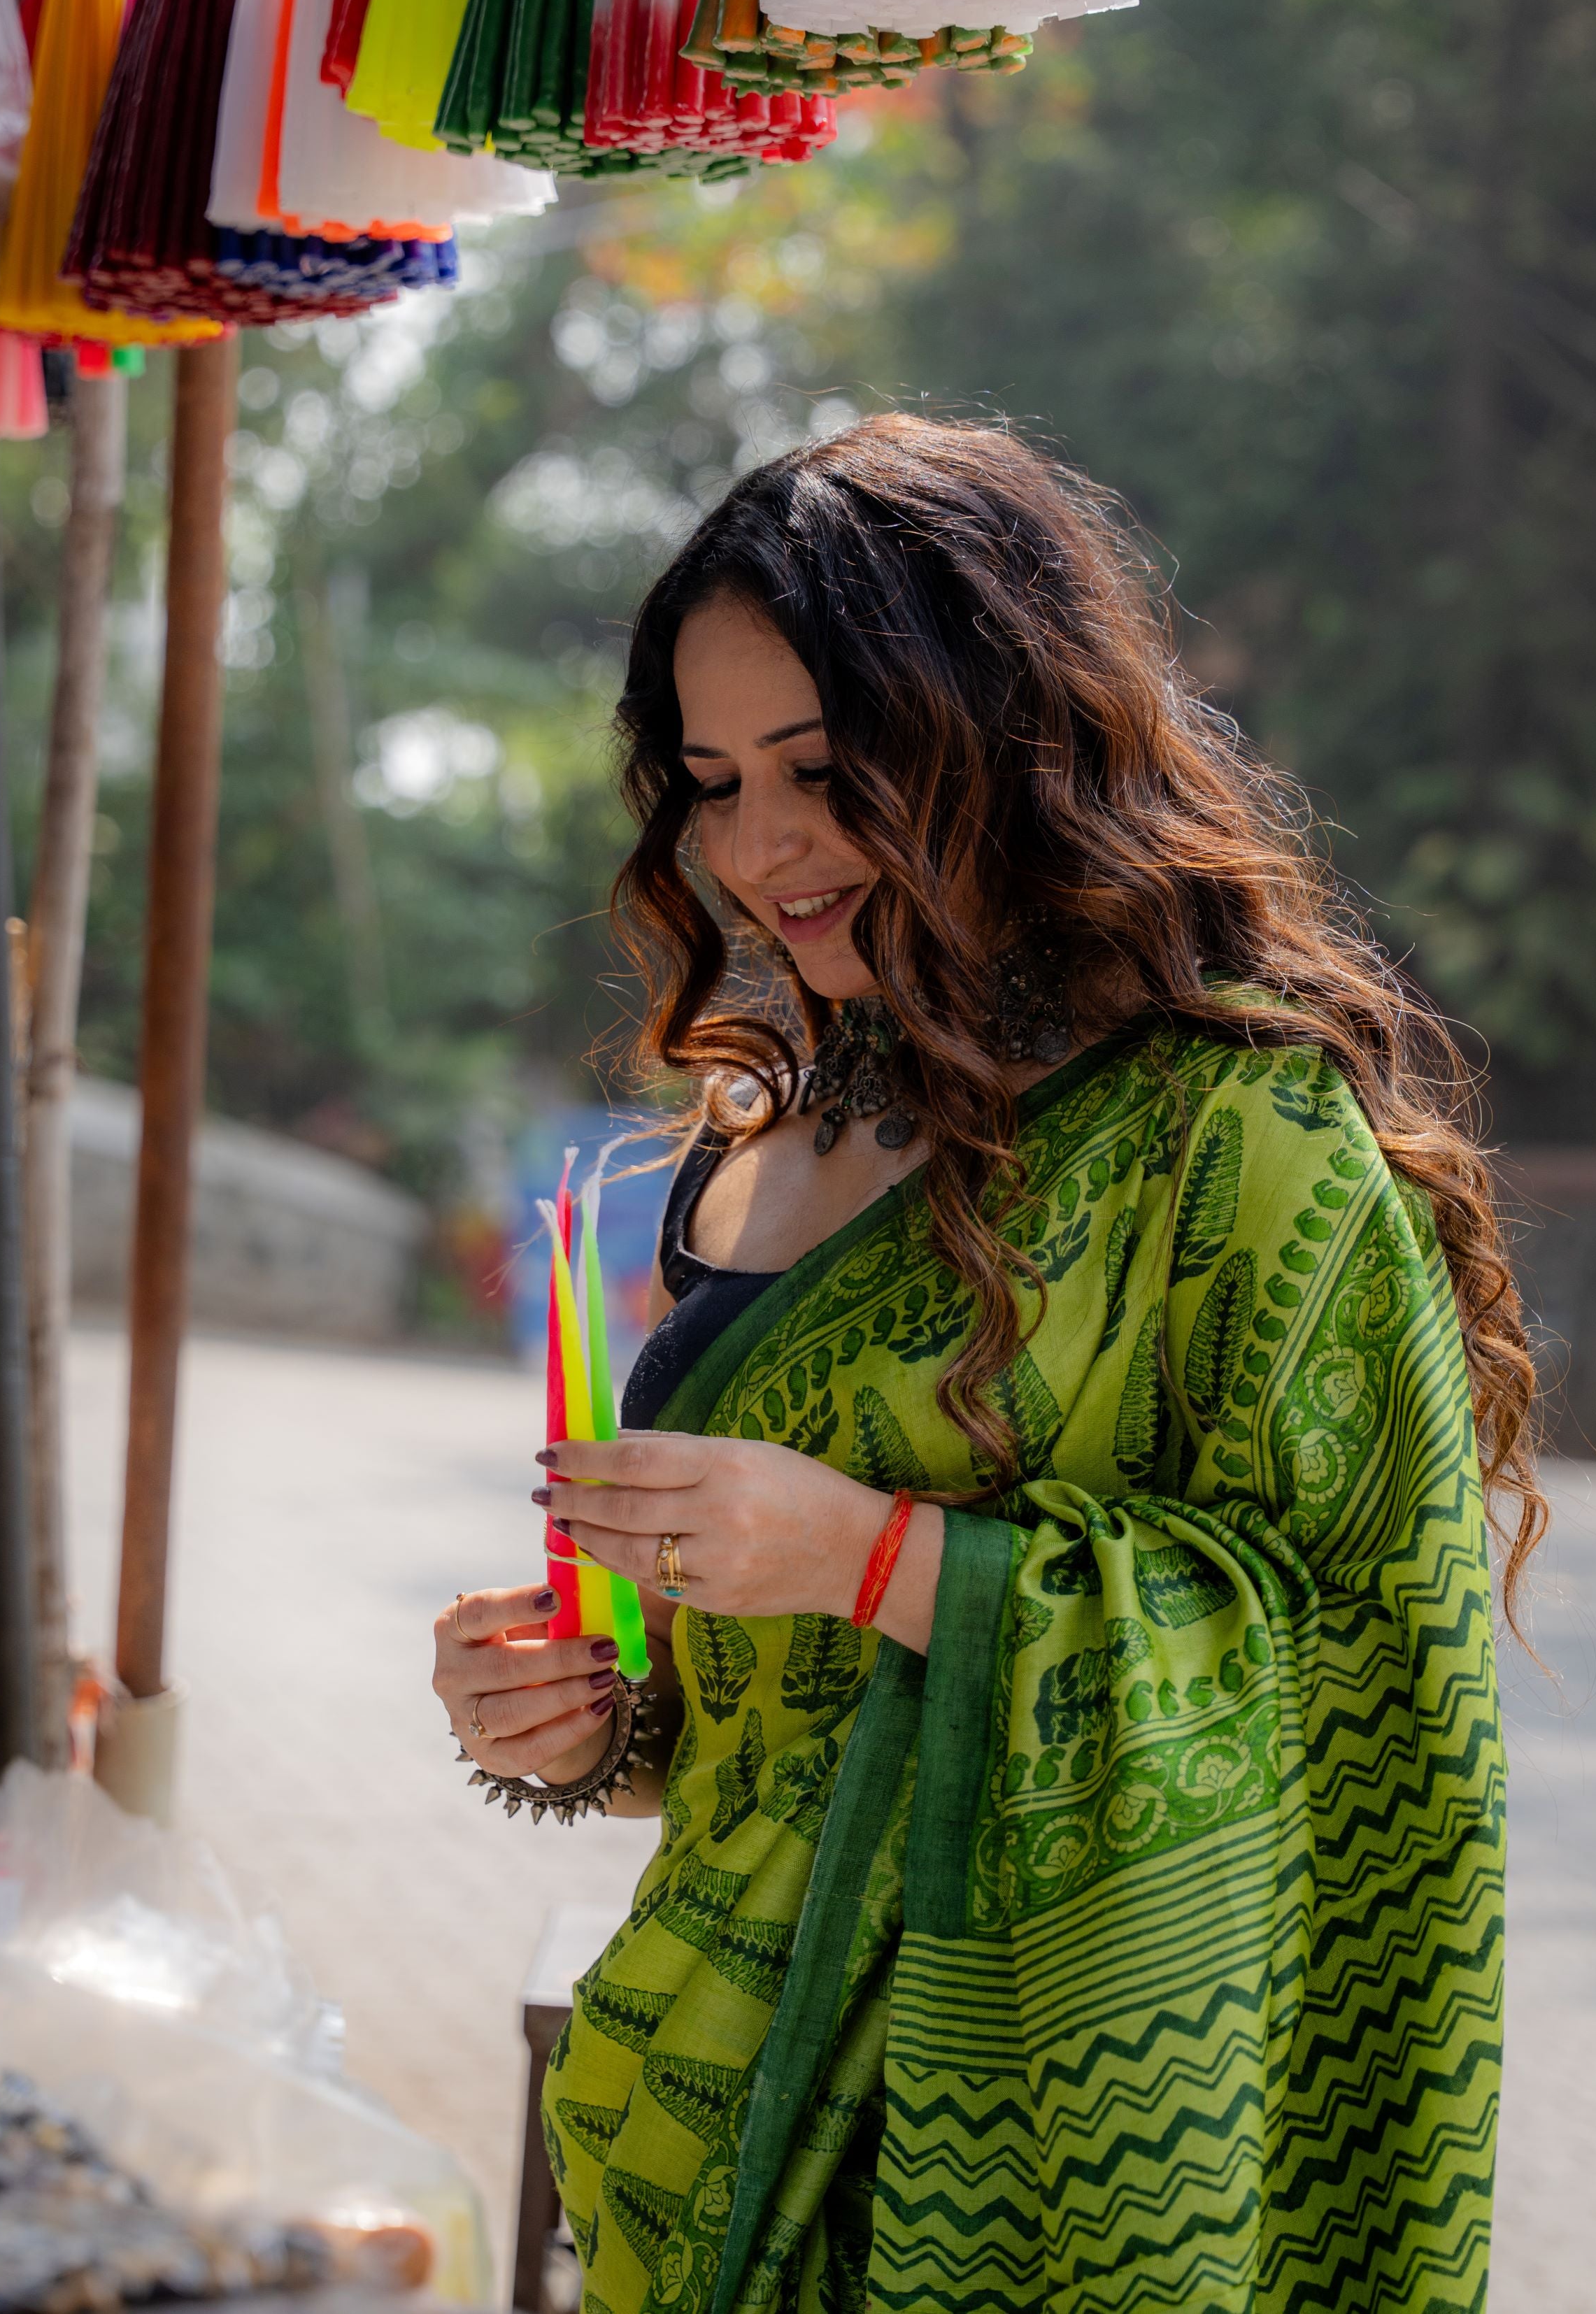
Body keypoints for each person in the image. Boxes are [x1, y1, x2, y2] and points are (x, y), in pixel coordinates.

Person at [432, 417, 1539, 2314]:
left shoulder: (1241, 1144)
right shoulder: (758, 1129)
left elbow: (1355, 1690)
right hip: (718, 2118)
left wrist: (871, 1557)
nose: (757, 845)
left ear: (999, 737)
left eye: (818, 770)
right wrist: (574, 1726)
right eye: (707, 783)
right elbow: (759, 1732)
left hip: (1058, 2170)